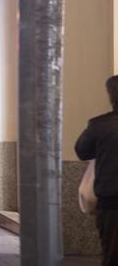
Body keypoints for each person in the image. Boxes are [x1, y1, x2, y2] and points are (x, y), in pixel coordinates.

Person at [75, 75, 118, 266]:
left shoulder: (99, 125)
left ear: (111, 97)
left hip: (111, 204)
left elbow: (82, 151)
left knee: (112, 253)